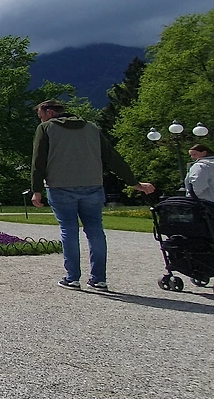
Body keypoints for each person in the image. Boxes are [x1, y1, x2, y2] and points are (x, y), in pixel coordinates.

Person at [30, 100, 154, 291]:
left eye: (41, 116)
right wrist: (134, 183)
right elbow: (112, 157)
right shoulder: (91, 127)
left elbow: (38, 160)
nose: (41, 119)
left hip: (60, 186)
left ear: (50, 113)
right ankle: (99, 279)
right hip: (93, 186)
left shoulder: (46, 128)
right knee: (95, 230)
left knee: (69, 230)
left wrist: (36, 190)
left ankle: (72, 278)